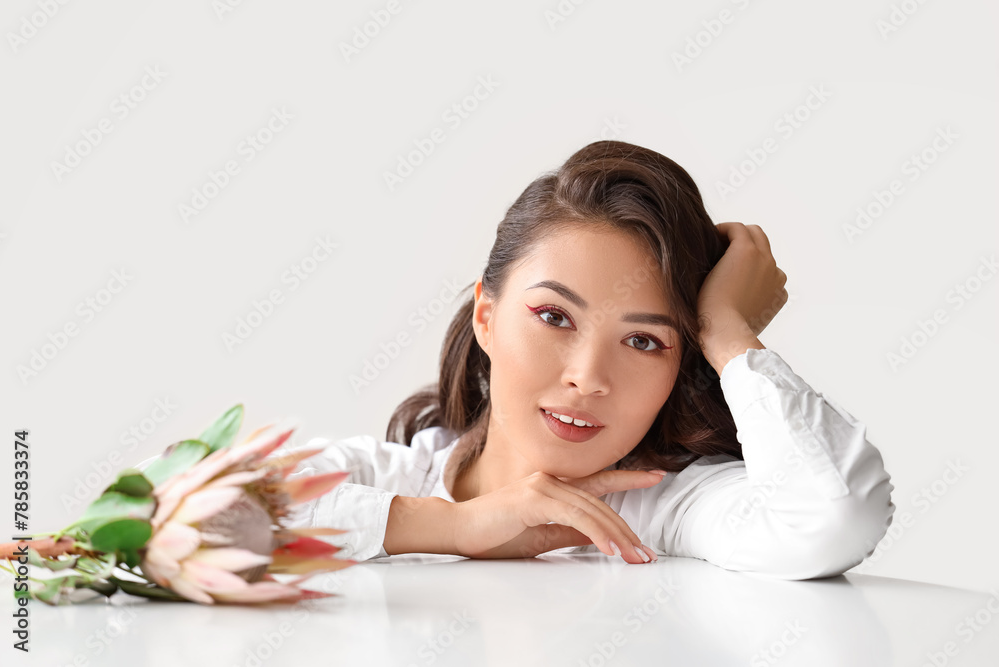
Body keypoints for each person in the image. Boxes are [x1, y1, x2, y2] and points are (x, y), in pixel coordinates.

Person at [286, 139, 896, 580]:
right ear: (486, 317)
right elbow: (204, 508)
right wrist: (460, 527)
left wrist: (727, 330)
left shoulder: (658, 506)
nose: (587, 377)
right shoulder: (395, 480)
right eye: (554, 317)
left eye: (643, 341)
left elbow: (836, 513)